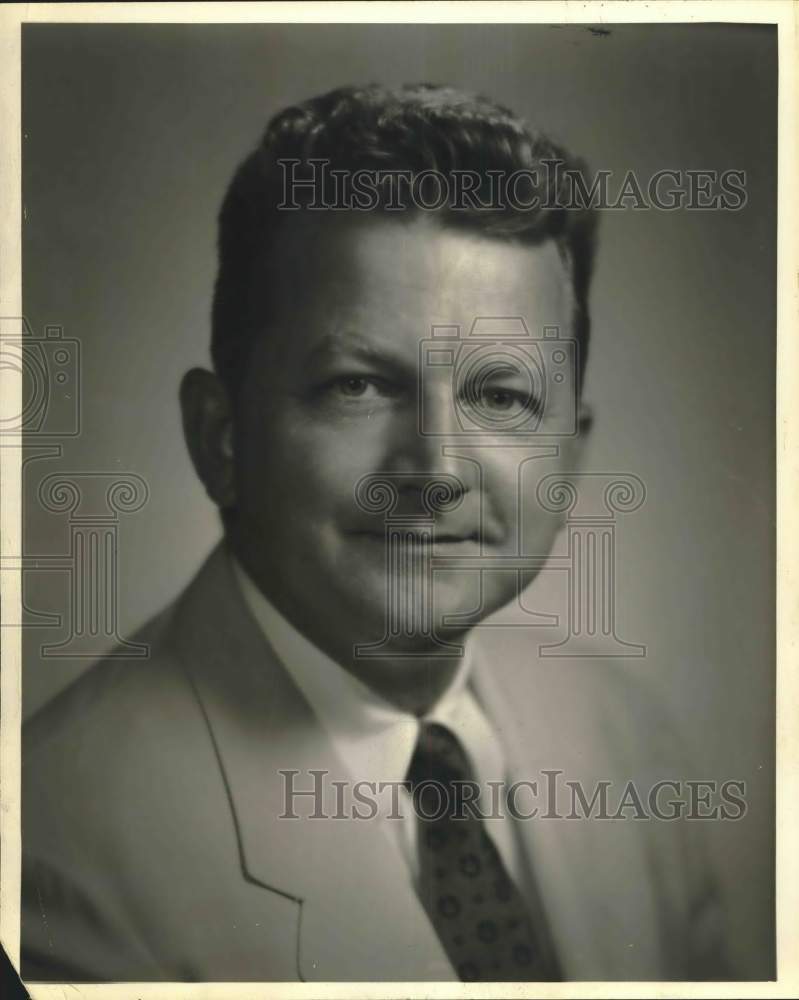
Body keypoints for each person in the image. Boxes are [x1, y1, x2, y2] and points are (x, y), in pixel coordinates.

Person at [21, 84, 729, 982]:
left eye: (501, 396)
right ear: (220, 437)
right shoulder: (49, 866)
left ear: (570, 457)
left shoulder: (622, 739)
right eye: (357, 385)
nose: (434, 471)